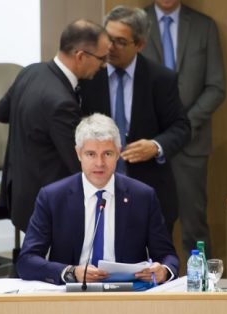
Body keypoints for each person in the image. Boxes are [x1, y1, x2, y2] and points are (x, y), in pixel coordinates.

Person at [17, 113, 179, 285]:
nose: (100, 163)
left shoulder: (143, 196)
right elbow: (27, 260)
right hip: (72, 294)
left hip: (126, 295)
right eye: (91, 154)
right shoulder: (52, 197)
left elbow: (167, 256)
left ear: (118, 153)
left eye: (107, 154)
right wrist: (70, 273)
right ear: (78, 154)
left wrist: (164, 271)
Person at [79, 6, 191, 236]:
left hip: (147, 186)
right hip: (95, 185)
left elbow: (181, 128)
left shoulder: (161, 78)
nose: (110, 47)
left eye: (120, 41)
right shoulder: (88, 74)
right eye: (107, 38)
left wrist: (156, 146)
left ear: (140, 45)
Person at [0, 19, 110, 232]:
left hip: (21, 194)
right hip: (50, 208)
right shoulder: (61, 103)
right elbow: (80, 164)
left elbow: (1, 113)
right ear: (80, 56)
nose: (104, 65)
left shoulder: (30, 72)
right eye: (102, 58)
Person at [141, 0, 226, 257]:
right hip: (146, 143)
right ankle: (151, 288)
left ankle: (200, 290)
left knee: (194, 225)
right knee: (148, 224)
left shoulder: (204, 26)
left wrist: (182, 127)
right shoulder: (136, 23)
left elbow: (216, 87)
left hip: (192, 142)